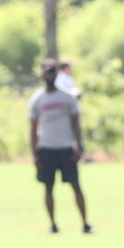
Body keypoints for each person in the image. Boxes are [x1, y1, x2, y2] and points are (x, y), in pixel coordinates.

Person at [28, 59, 93, 234]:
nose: (50, 75)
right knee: (48, 187)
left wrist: (79, 147)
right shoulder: (37, 99)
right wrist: (34, 153)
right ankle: (53, 225)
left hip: (66, 148)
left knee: (75, 186)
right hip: (47, 149)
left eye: (52, 71)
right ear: (42, 74)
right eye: (47, 72)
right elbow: (33, 128)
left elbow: (76, 123)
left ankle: (85, 224)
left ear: (57, 73)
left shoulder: (67, 97)